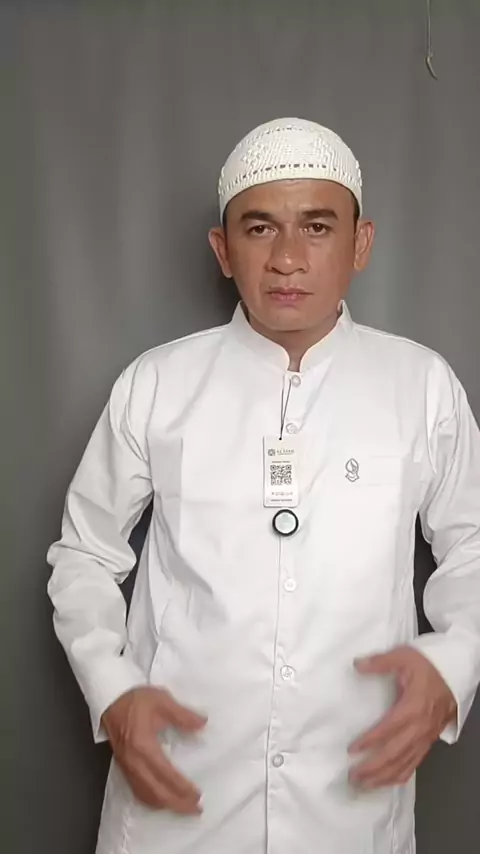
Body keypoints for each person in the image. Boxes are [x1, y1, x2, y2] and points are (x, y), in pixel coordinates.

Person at [47, 118, 480, 854]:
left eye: (317, 226)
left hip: (352, 806)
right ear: (223, 250)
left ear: (361, 244)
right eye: (259, 228)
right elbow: (84, 554)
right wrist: (111, 690)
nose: (286, 258)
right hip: (179, 799)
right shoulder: (158, 384)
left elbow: (474, 547)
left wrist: (453, 664)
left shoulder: (422, 387)